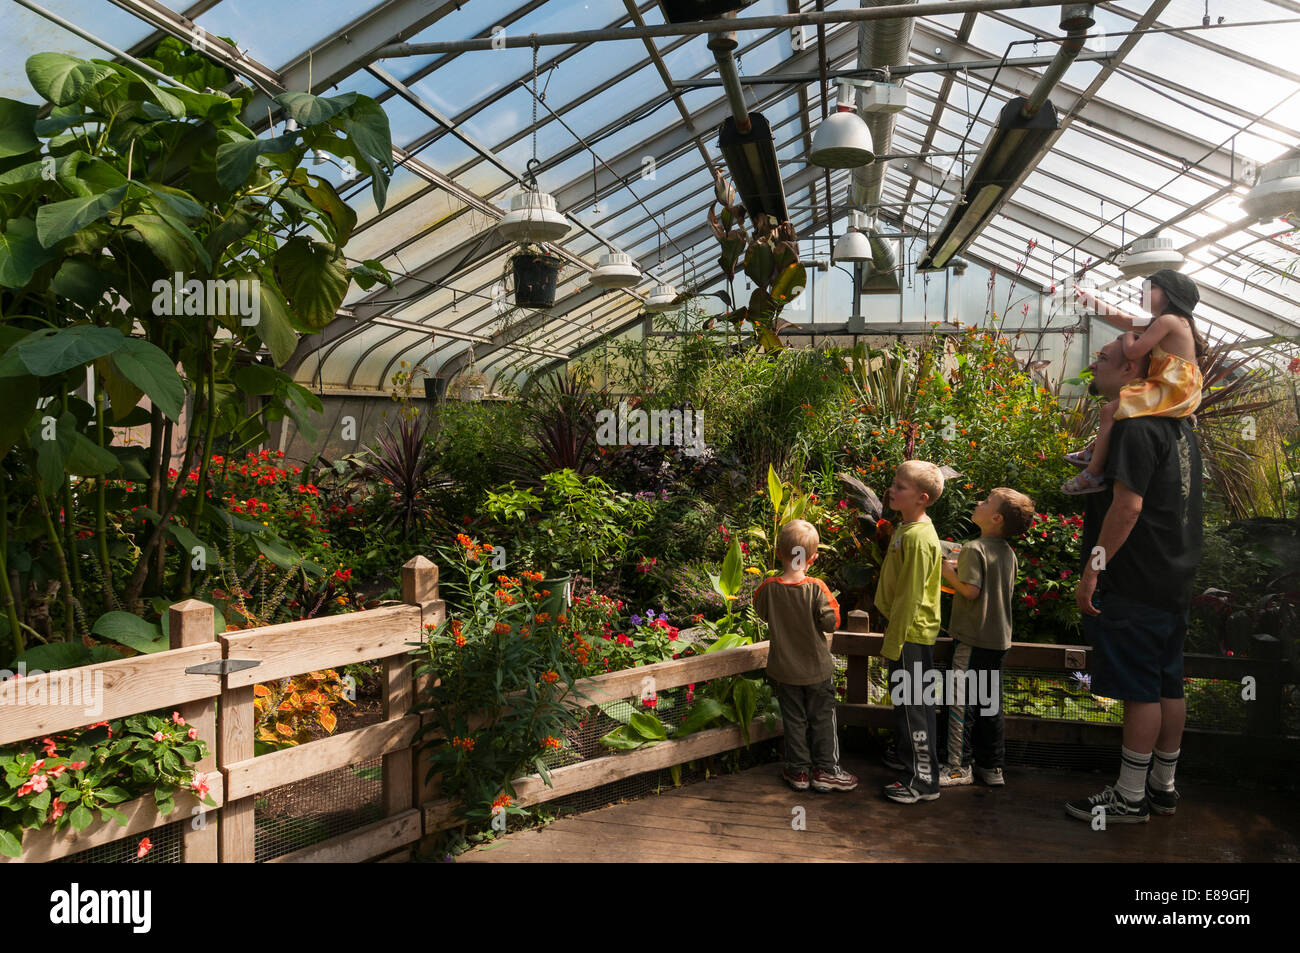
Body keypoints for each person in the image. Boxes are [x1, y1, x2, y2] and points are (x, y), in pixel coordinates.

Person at [1064, 330, 1203, 825]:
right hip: (1174, 574)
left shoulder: (1135, 425)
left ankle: (1128, 797)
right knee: (1168, 681)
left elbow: (1128, 507)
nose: (1094, 365)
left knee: (1140, 689)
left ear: (1131, 370)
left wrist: (1092, 571)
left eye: (1102, 359)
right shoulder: (1179, 424)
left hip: (1137, 577)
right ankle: (1162, 787)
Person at [1061, 269, 1207, 495]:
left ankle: (1093, 471)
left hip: (1172, 389)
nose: (1142, 293)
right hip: (1171, 386)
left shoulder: (1167, 321)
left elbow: (1133, 352)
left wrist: (1127, 336)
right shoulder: (1168, 321)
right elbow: (1122, 318)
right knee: (1119, 409)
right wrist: (1091, 301)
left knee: (1110, 410)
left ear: (1169, 294)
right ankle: (1093, 452)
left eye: (1150, 288)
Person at [938, 487, 1035, 788]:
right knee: (990, 703)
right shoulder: (1008, 553)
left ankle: (957, 766)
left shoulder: (973, 548)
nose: (977, 503)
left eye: (985, 501)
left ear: (995, 517)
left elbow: (970, 590)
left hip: (972, 638)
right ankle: (992, 767)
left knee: (960, 702)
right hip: (999, 640)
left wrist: (946, 570)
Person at [754, 520, 858, 793]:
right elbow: (831, 623)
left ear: (779, 553)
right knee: (823, 717)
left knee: (794, 719)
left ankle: (798, 771)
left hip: (785, 672)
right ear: (813, 558)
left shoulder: (768, 589)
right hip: (816, 670)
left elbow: (761, 611)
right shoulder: (816, 588)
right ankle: (826, 770)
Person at [874, 460, 945, 804]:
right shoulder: (906, 529)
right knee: (909, 705)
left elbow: (911, 598)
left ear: (923, 498)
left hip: (909, 634)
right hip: (906, 632)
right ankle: (918, 769)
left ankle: (922, 780)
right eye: (894, 483)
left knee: (913, 707)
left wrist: (893, 641)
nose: (892, 490)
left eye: (901, 487)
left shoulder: (918, 539)